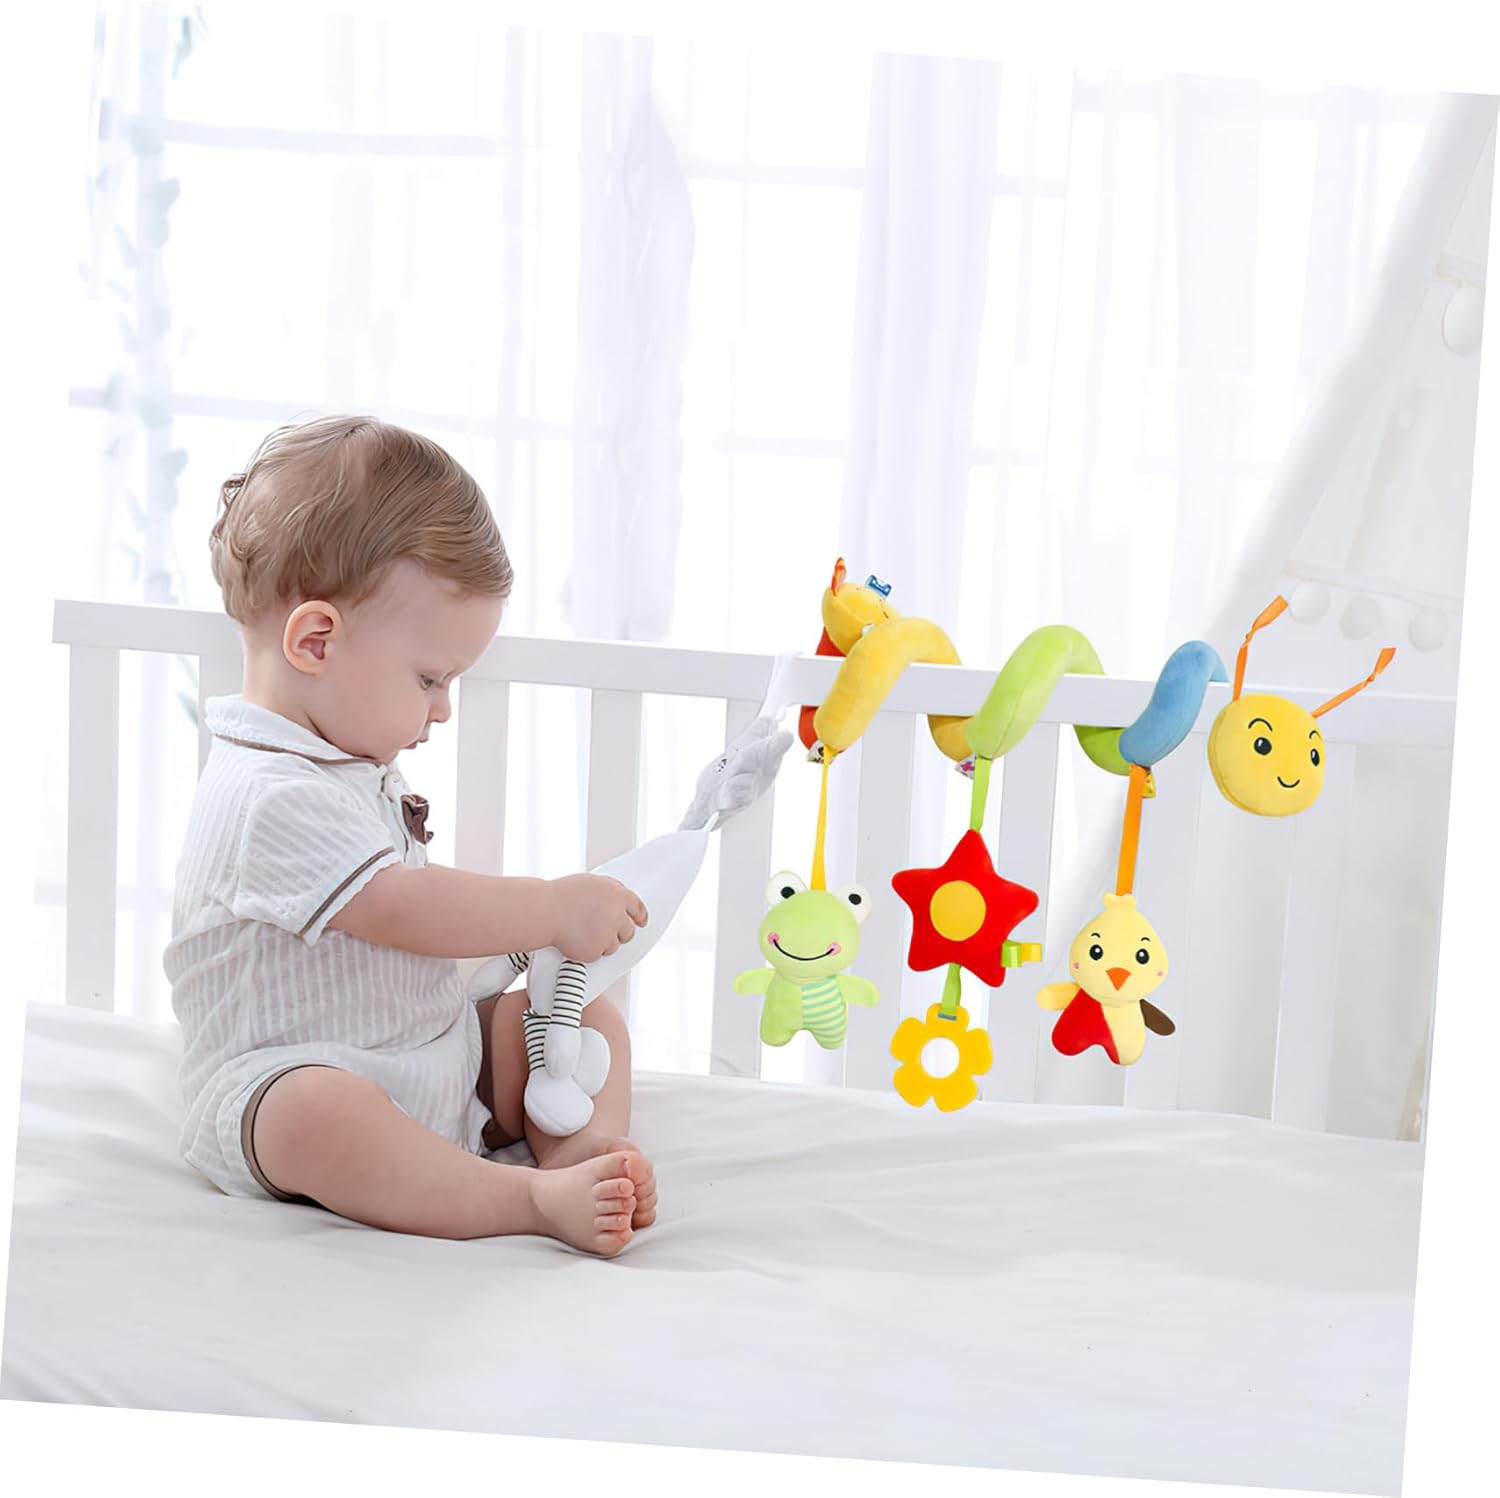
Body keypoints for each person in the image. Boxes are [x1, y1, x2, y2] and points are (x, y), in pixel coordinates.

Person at [163, 414, 655, 1255]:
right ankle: (528, 1199)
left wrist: (518, 975)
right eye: (430, 678)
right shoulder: (265, 794)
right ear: (316, 641)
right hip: (299, 1077)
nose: (443, 708)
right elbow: (401, 908)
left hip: (431, 1059)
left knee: (580, 1015)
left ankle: (581, 1147)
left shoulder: (344, 763)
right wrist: (548, 907)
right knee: (314, 1113)